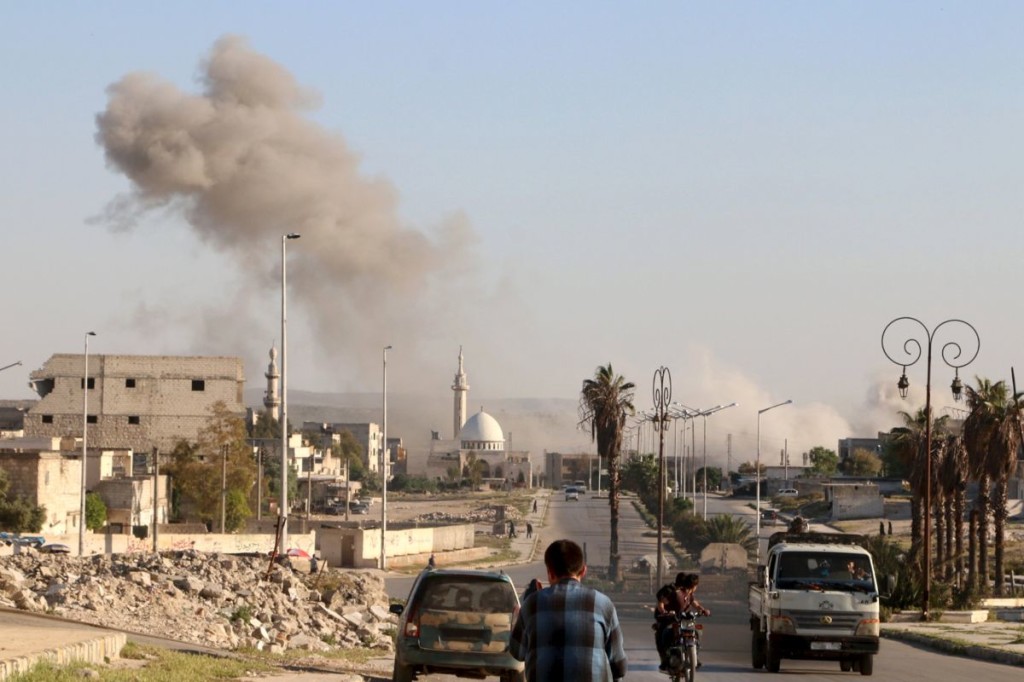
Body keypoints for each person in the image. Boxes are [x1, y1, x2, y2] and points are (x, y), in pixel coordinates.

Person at [510, 539, 627, 681]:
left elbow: (517, 652)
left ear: (550, 573)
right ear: (583, 570)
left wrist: (517, 618)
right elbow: (620, 667)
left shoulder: (532, 604)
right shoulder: (603, 604)